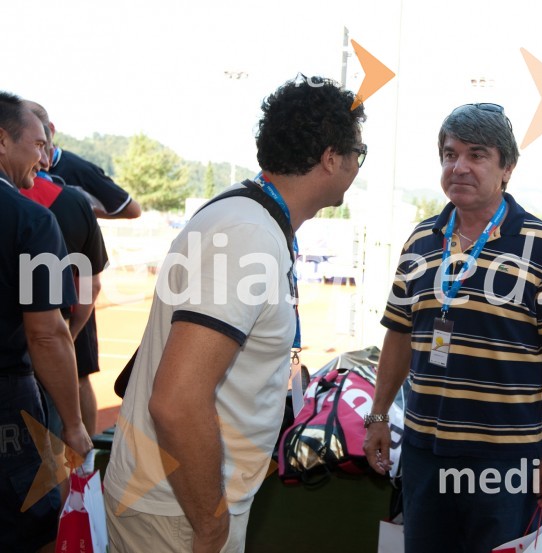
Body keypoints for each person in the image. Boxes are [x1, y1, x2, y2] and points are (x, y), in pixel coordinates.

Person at [104, 76, 366, 552]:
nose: (357, 166)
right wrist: (210, 523)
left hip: (176, 502)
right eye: (357, 154)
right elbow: (177, 400)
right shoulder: (250, 234)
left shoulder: (249, 216)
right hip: (178, 512)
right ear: (331, 157)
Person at [364, 103, 542, 552]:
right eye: (449, 154)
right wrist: (379, 416)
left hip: (506, 462)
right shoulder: (421, 241)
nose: (458, 166)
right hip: (426, 455)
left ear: (507, 168)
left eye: (476, 155)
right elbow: (399, 335)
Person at [0, 91, 93, 552]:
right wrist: (74, 425)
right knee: (28, 527)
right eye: (37, 144)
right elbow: (46, 330)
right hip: (6, 404)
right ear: (2, 140)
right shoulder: (30, 219)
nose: (45, 156)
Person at [19, 116, 109, 438]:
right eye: (39, 146)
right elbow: (91, 284)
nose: (43, 158)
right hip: (45, 349)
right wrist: (67, 339)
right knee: (50, 459)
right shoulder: (65, 203)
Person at [24, 100, 142, 219]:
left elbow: (133, 210)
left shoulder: (78, 170)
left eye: (40, 141)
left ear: (51, 130)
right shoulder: (13, 168)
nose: (43, 160)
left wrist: (81, 211)